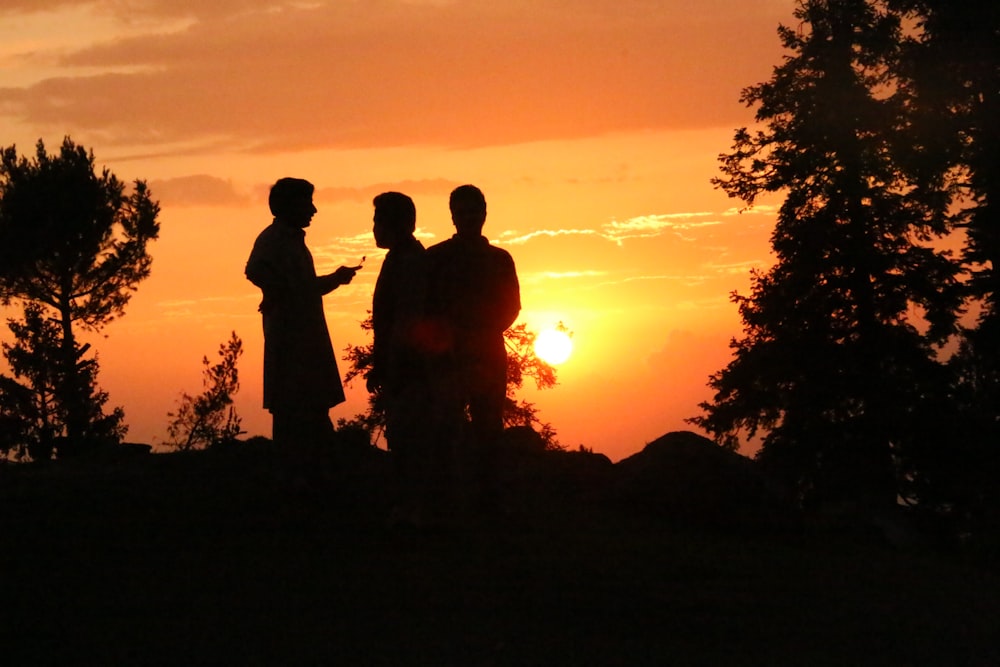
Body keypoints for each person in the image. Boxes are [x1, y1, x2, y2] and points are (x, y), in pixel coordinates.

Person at [245, 177, 361, 454]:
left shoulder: (290, 240)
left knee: (309, 411)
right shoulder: (274, 239)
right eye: (307, 202)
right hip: (291, 345)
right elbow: (256, 271)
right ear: (289, 205)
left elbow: (303, 288)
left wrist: (334, 279)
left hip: (304, 343)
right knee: (294, 411)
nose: (313, 210)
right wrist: (277, 292)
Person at [425, 184, 520, 512]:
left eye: (474, 212)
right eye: (462, 212)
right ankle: (447, 501)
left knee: (488, 428)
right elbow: (425, 308)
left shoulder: (500, 260)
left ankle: (487, 501)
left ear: (484, 214)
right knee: (444, 429)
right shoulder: (435, 259)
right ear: (453, 216)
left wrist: (481, 333)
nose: (468, 218)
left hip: (488, 356)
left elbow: (512, 307)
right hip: (447, 359)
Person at [367, 191, 437, 523]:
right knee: (406, 437)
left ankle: (414, 509)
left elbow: (406, 321)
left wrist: (389, 365)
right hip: (404, 364)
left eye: (377, 220)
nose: (373, 228)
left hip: (409, 367)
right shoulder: (401, 258)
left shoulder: (408, 261)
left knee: (410, 438)